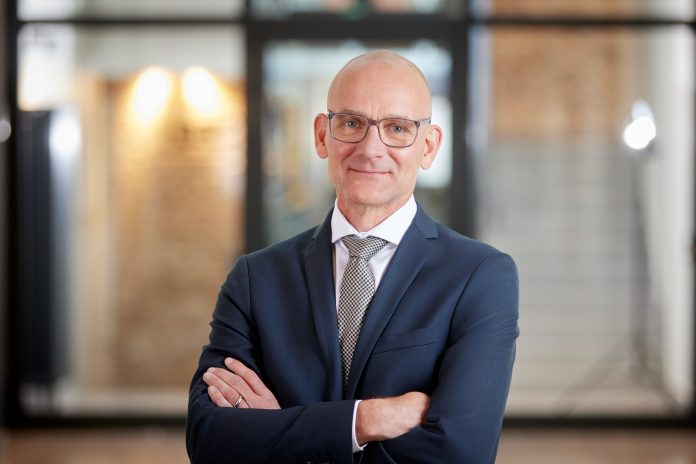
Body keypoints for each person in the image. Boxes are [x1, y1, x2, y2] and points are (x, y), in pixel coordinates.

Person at [186, 50, 519, 464]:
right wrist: (364, 420)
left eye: (397, 128)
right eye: (351, 123)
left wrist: (284, 431)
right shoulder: (256, 278)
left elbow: (461, 453)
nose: (370, 148)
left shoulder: (479, 276)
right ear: (322, 136)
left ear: (429, 146)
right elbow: (209, 440)